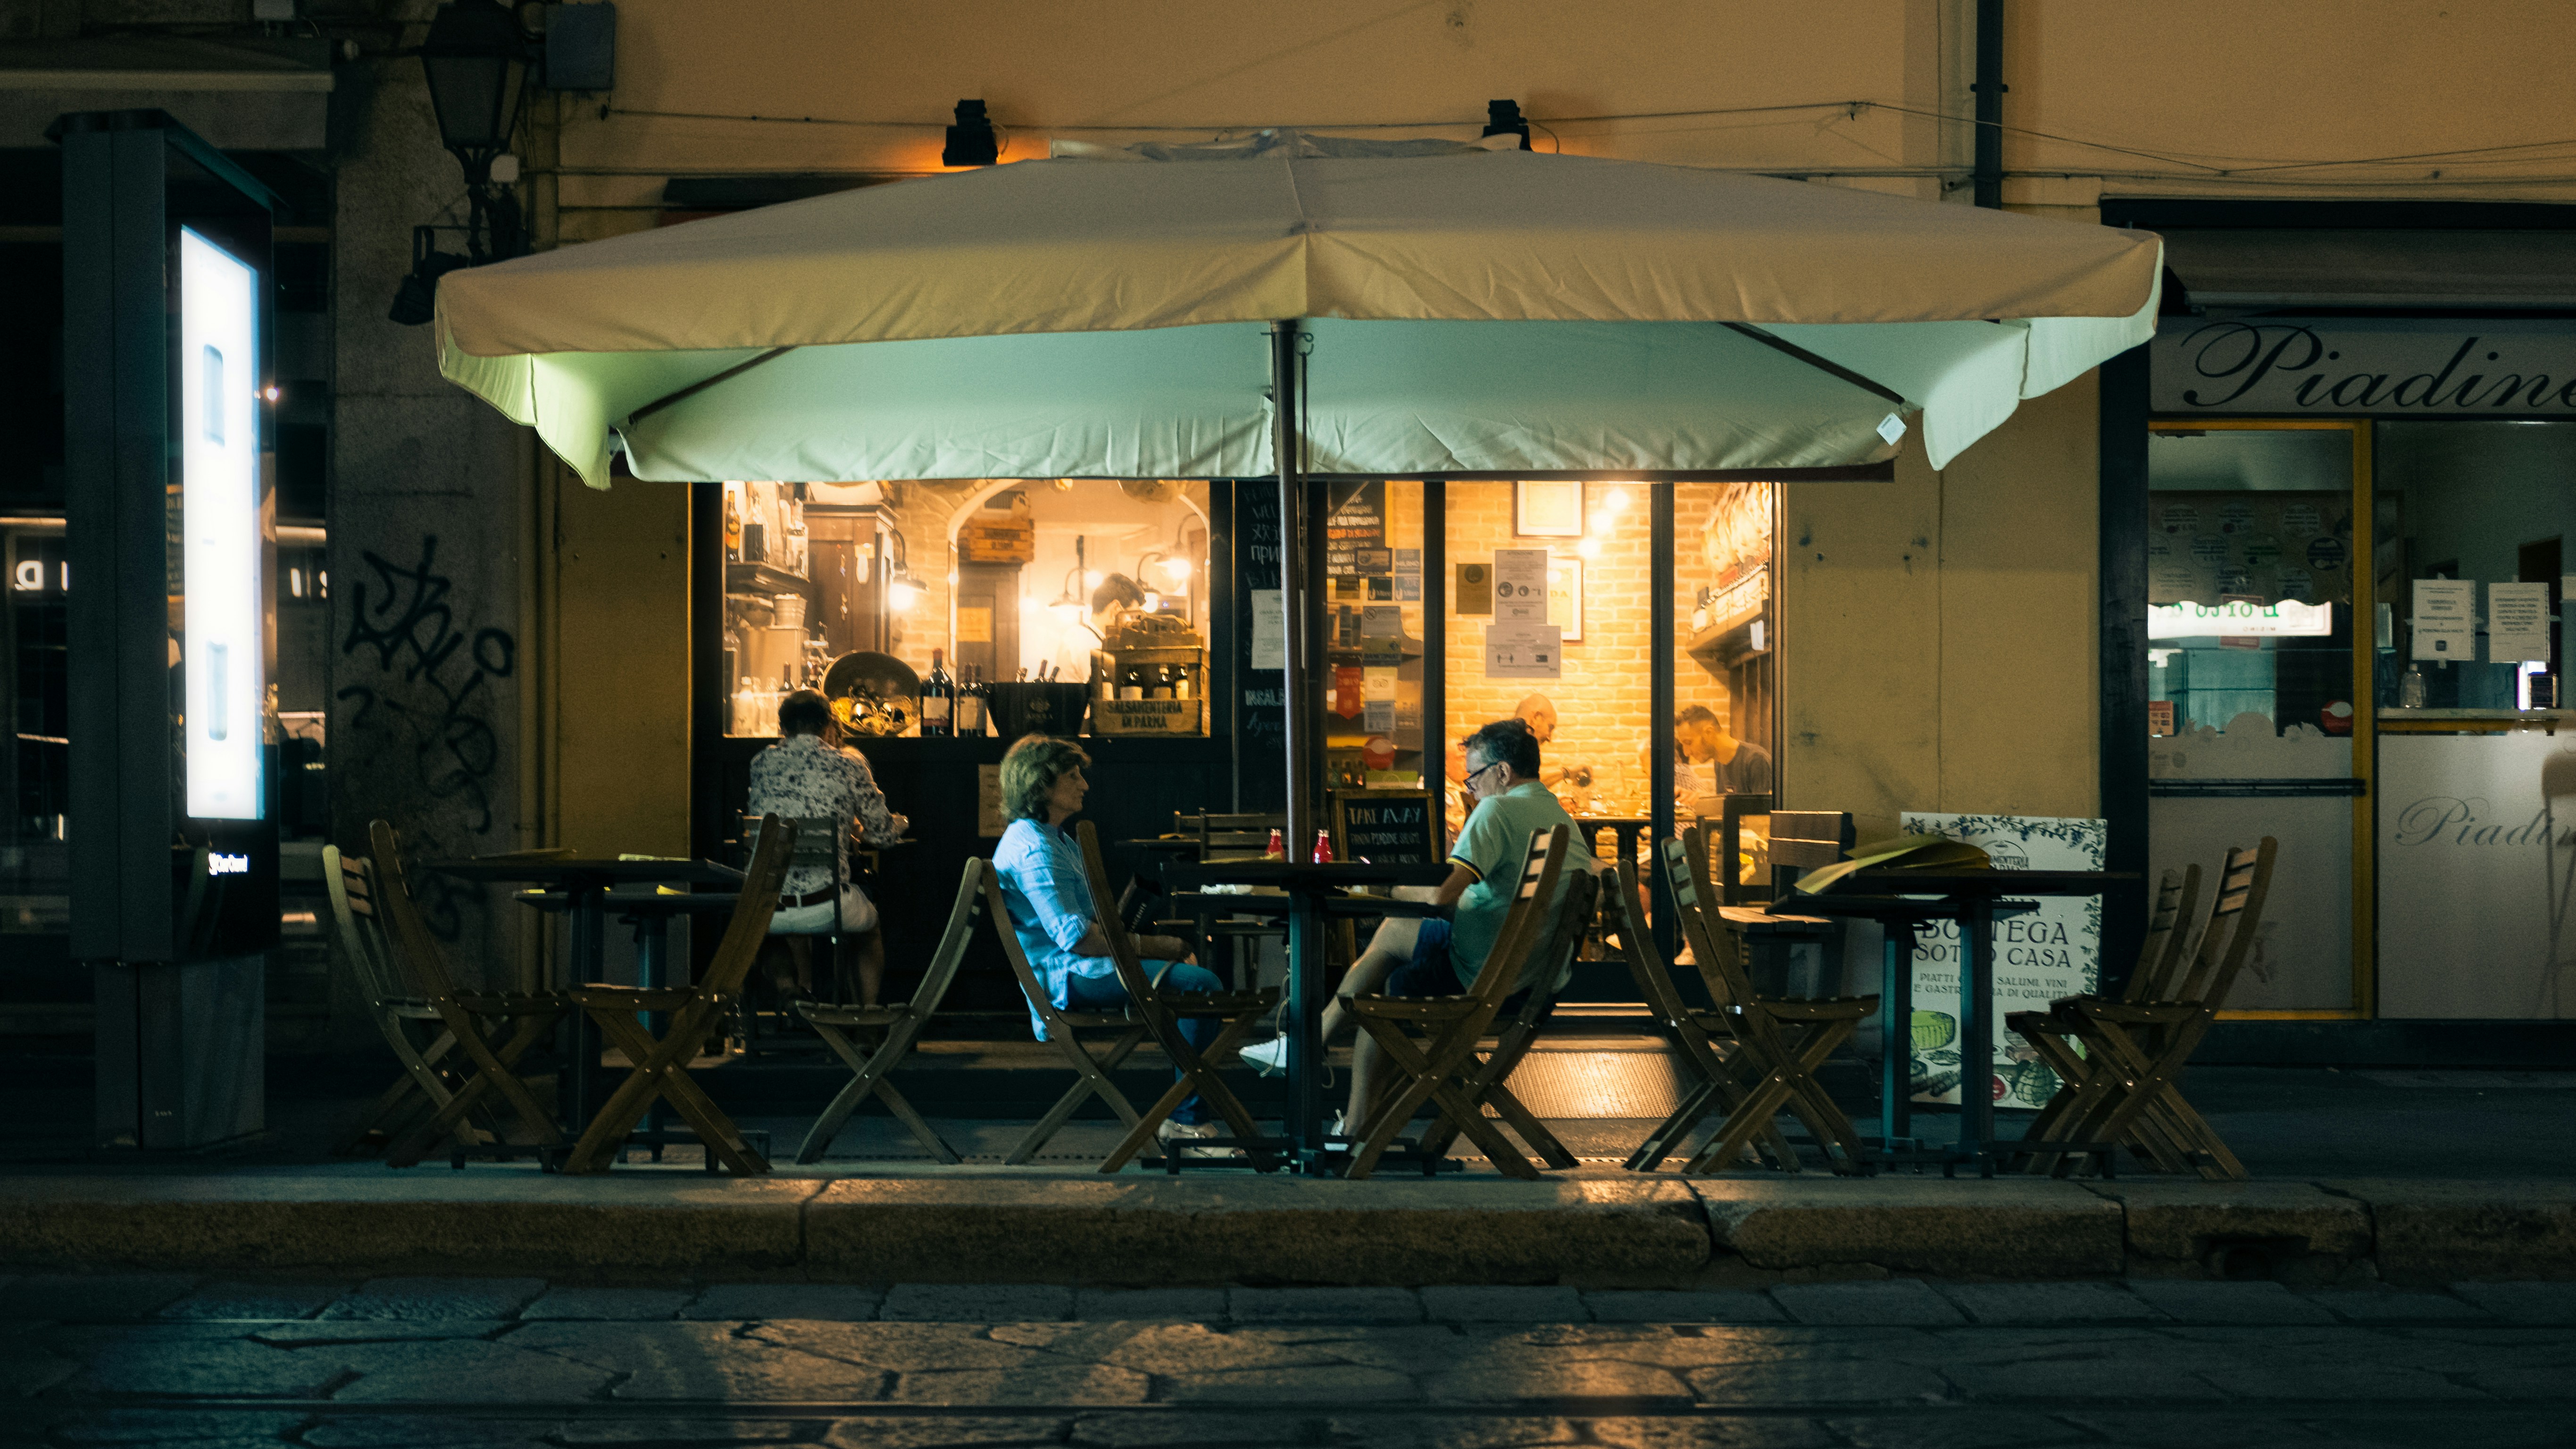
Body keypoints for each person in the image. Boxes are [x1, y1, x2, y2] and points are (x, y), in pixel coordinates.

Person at [1242, 717, 1599, 1136]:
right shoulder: (1555, 815)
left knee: (1381, 994)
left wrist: (1392, 889)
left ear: (1502, 772)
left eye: (1474, 777)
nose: (1471, 787)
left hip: (1485, 974)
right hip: (1530, 973)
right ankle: (1311, 1049)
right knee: (1394, 943)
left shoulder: (1497, 809)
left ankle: (1344, 1110)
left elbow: (1440, 897)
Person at [991, 733, 1239, 1156]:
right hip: (1068, 977)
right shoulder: (1035, 848)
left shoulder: (1049, 837)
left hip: (1081, 968)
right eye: (1072, 776)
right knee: (1202, 986)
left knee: (1193, 984)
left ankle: (1187, 1116)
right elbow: (1074, 937)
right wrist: (1152, 945)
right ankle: (1188, 1124)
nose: (1084, 785)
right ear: (1041, 785)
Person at [745, 689, 907, 1005]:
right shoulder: (847, 765)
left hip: (769, 903)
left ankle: (789, 989)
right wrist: (902, 823)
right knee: (868, 928)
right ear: (827, 727)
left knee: (761, 930)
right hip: (827, 905)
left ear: (783, 728)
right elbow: (885, 836)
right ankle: (866, 1019)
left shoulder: (760, 763)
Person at [1674, 701, 1773, 801]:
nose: (1686, 753)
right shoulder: (1719, 763)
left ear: (1709, 732)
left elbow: (1763, 814)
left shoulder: (1756, 760)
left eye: (1689, 742)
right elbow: (1728, 810)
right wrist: (1702, 799)